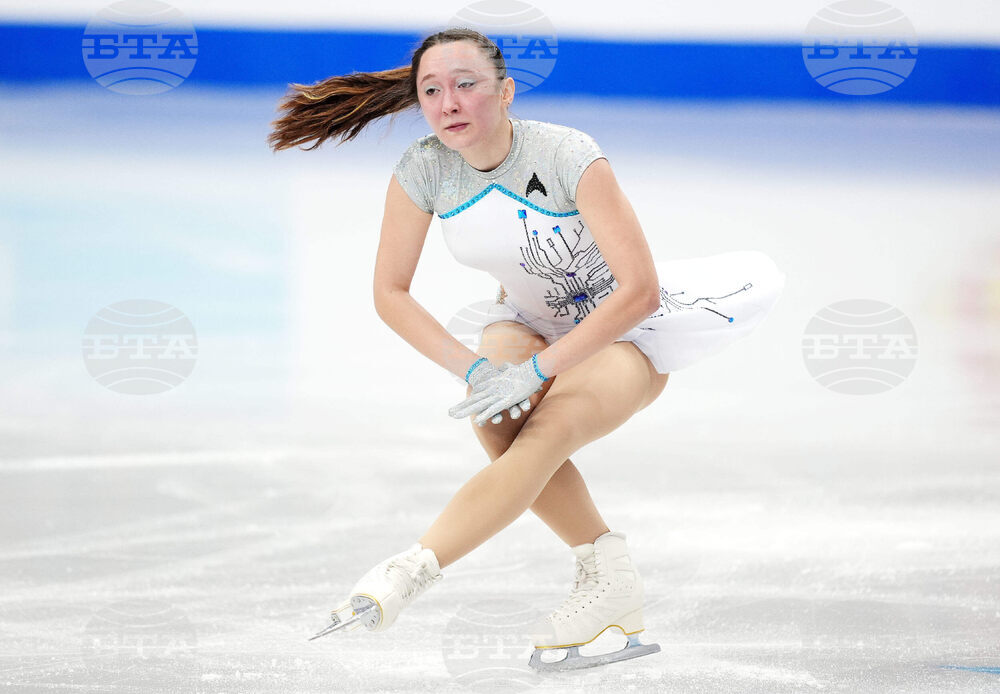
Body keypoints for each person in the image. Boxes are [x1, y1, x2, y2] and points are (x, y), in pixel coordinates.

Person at [268, 28, 785, 671]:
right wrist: (480, 369)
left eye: (466, 85)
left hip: (622, 328)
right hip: (524, 319)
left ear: (506, 91)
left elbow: (640, 290)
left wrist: (539, 369)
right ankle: (609, 576)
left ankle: (412, 570)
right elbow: (389, 293)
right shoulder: (424, 169)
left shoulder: (568, 154)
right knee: (495, 416)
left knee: (543, 436)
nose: (448, 102)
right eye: (432, 90)